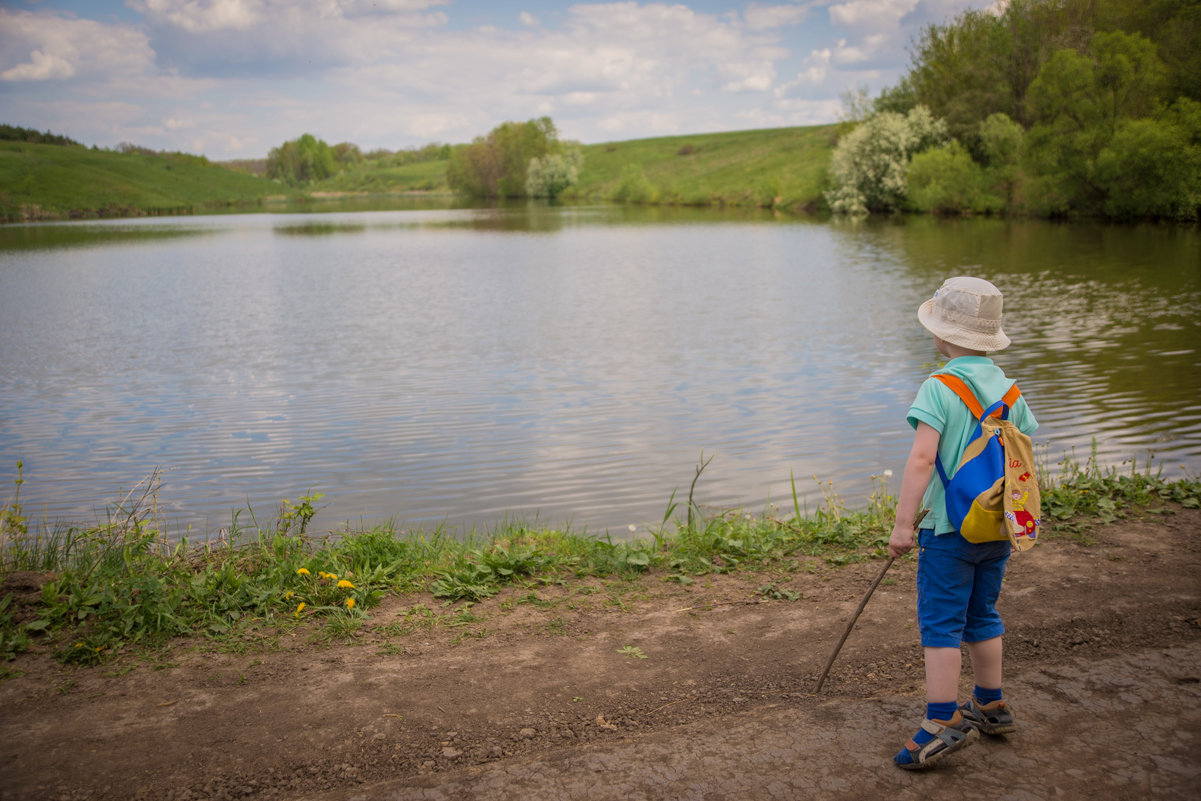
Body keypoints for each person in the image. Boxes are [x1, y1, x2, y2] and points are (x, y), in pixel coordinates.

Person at [887, 276, 1038, 770]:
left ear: (941, 336)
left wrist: (903, 525)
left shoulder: (939, 386)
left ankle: (941, 721)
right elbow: (1026, 449)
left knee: (942, 625)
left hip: (948, 530)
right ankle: (991, 704)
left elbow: (921, 461)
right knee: (982, 615)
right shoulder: (1010, 389)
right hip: (996, 525)